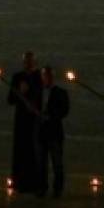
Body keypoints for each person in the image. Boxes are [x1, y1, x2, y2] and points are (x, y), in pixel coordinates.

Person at [7, 51, 43, 194]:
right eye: (26, 61)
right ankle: (19, 182)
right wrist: (19, 92)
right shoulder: (17, 77)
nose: (28, 64)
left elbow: (41, 96)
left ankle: (35, 183)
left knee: (34, 150)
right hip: (21, 120)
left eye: (30, 61)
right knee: (20, 150)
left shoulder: (39, 77)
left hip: (35, 119)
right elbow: (10, 99)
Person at [37, 66, 70, 198]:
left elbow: (65, 110)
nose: (47, 78)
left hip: (55, 132)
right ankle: (42, 188)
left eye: (49, 76)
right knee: (41, 163)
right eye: (45, 76)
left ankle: (57, 189)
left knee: (57, 163)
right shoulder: (37, 92)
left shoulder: (60, 92)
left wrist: (50, 116)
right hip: (40, 132)